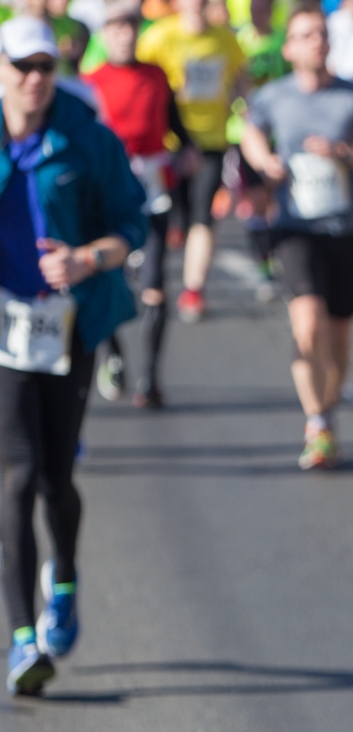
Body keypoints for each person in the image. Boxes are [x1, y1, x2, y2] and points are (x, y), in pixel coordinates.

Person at [0, 17, 145, 694]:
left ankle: (64, 573)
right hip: (4, 334)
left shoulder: (86, 139)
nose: (34, 78)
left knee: (57, 477)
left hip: (69, 326)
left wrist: (86, 259)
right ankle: (23, 638)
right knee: (15, 476)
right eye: (20, 65)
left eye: (44, 66)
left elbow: (131, 222)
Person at [241, 4, 353, 469]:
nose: (316, 42)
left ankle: (327, 411)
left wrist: (344, 152)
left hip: (346, 228)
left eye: (322, 34)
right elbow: (251, 132)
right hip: (294, 228)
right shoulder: (274, 97)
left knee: (341, 337)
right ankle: (316, 422)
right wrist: (264, 159)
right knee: (308, 324)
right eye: (305, 35)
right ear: (288, 48)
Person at [83, 0, 193, 408]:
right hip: (107, 196)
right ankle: (112, 352)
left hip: (152, 194)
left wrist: (189, 150)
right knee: (107, 279)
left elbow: (177, 126)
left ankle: (149, 378)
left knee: (154, 289)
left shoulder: (157, 76)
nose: (124, 33)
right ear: (104, 34)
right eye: (115, 26)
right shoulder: (89, 84)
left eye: (131, 25)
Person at [136, 0, 247, 322]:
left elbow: (240, 79)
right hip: (168, 143)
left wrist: (246, 105)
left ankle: (193, 289)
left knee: (203, 217)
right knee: (173, 219)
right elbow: (143, 80)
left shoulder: (225, 39)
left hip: (211, 140)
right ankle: (155, 273)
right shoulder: (159, 37)